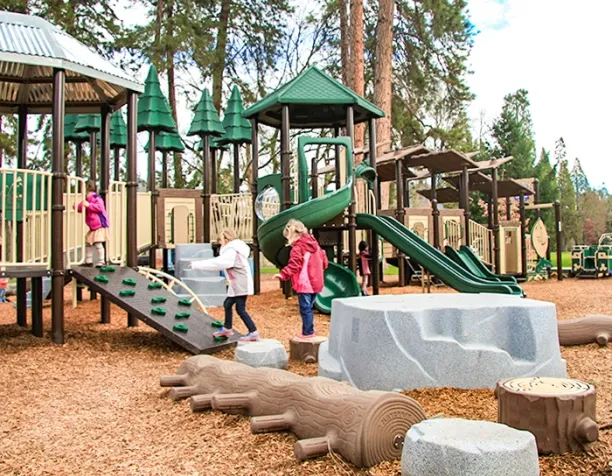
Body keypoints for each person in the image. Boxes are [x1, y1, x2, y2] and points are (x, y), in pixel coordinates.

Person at [190, 228, 259, 342]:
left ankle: (253, 332)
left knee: (240, 309)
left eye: (221, 240)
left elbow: (218, 263)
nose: (219, 242)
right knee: (227, 304)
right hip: (236, 283)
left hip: (241, 283)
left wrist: (197, 265)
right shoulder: (233, 249)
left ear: (227, 240)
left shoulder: (231, 250)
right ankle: (227, 328)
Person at [274, 219, 328, 339]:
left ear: (294, 235)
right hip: (317, 282)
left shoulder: (298, 248)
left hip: (306, 283)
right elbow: (324, 261)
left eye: (288, 237)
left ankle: (308, 332)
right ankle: (308, 331)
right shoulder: (315, 245)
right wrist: (319, 270)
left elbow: (294, 264)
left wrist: (283, 274)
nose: (288, 240)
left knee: (305, 308)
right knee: (308, 307)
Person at [75, 180, 110, 267]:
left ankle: (102, 261)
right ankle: (89, 260)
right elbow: (81, 208)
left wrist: (88, 205)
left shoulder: (97, 198)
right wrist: (76, 206)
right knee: (88, 242)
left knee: (98, 242)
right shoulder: (87, 200)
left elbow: (99, 208)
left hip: (99, 225)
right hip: (93, 226)